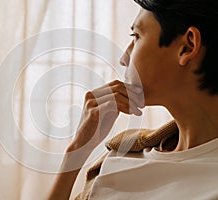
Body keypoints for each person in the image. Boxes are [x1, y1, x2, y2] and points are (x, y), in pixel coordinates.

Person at [48, 0, 218, 199]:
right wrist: (77, 150)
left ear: (187, 46)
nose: (124, 58)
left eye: (136, 36)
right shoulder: (123, 153)